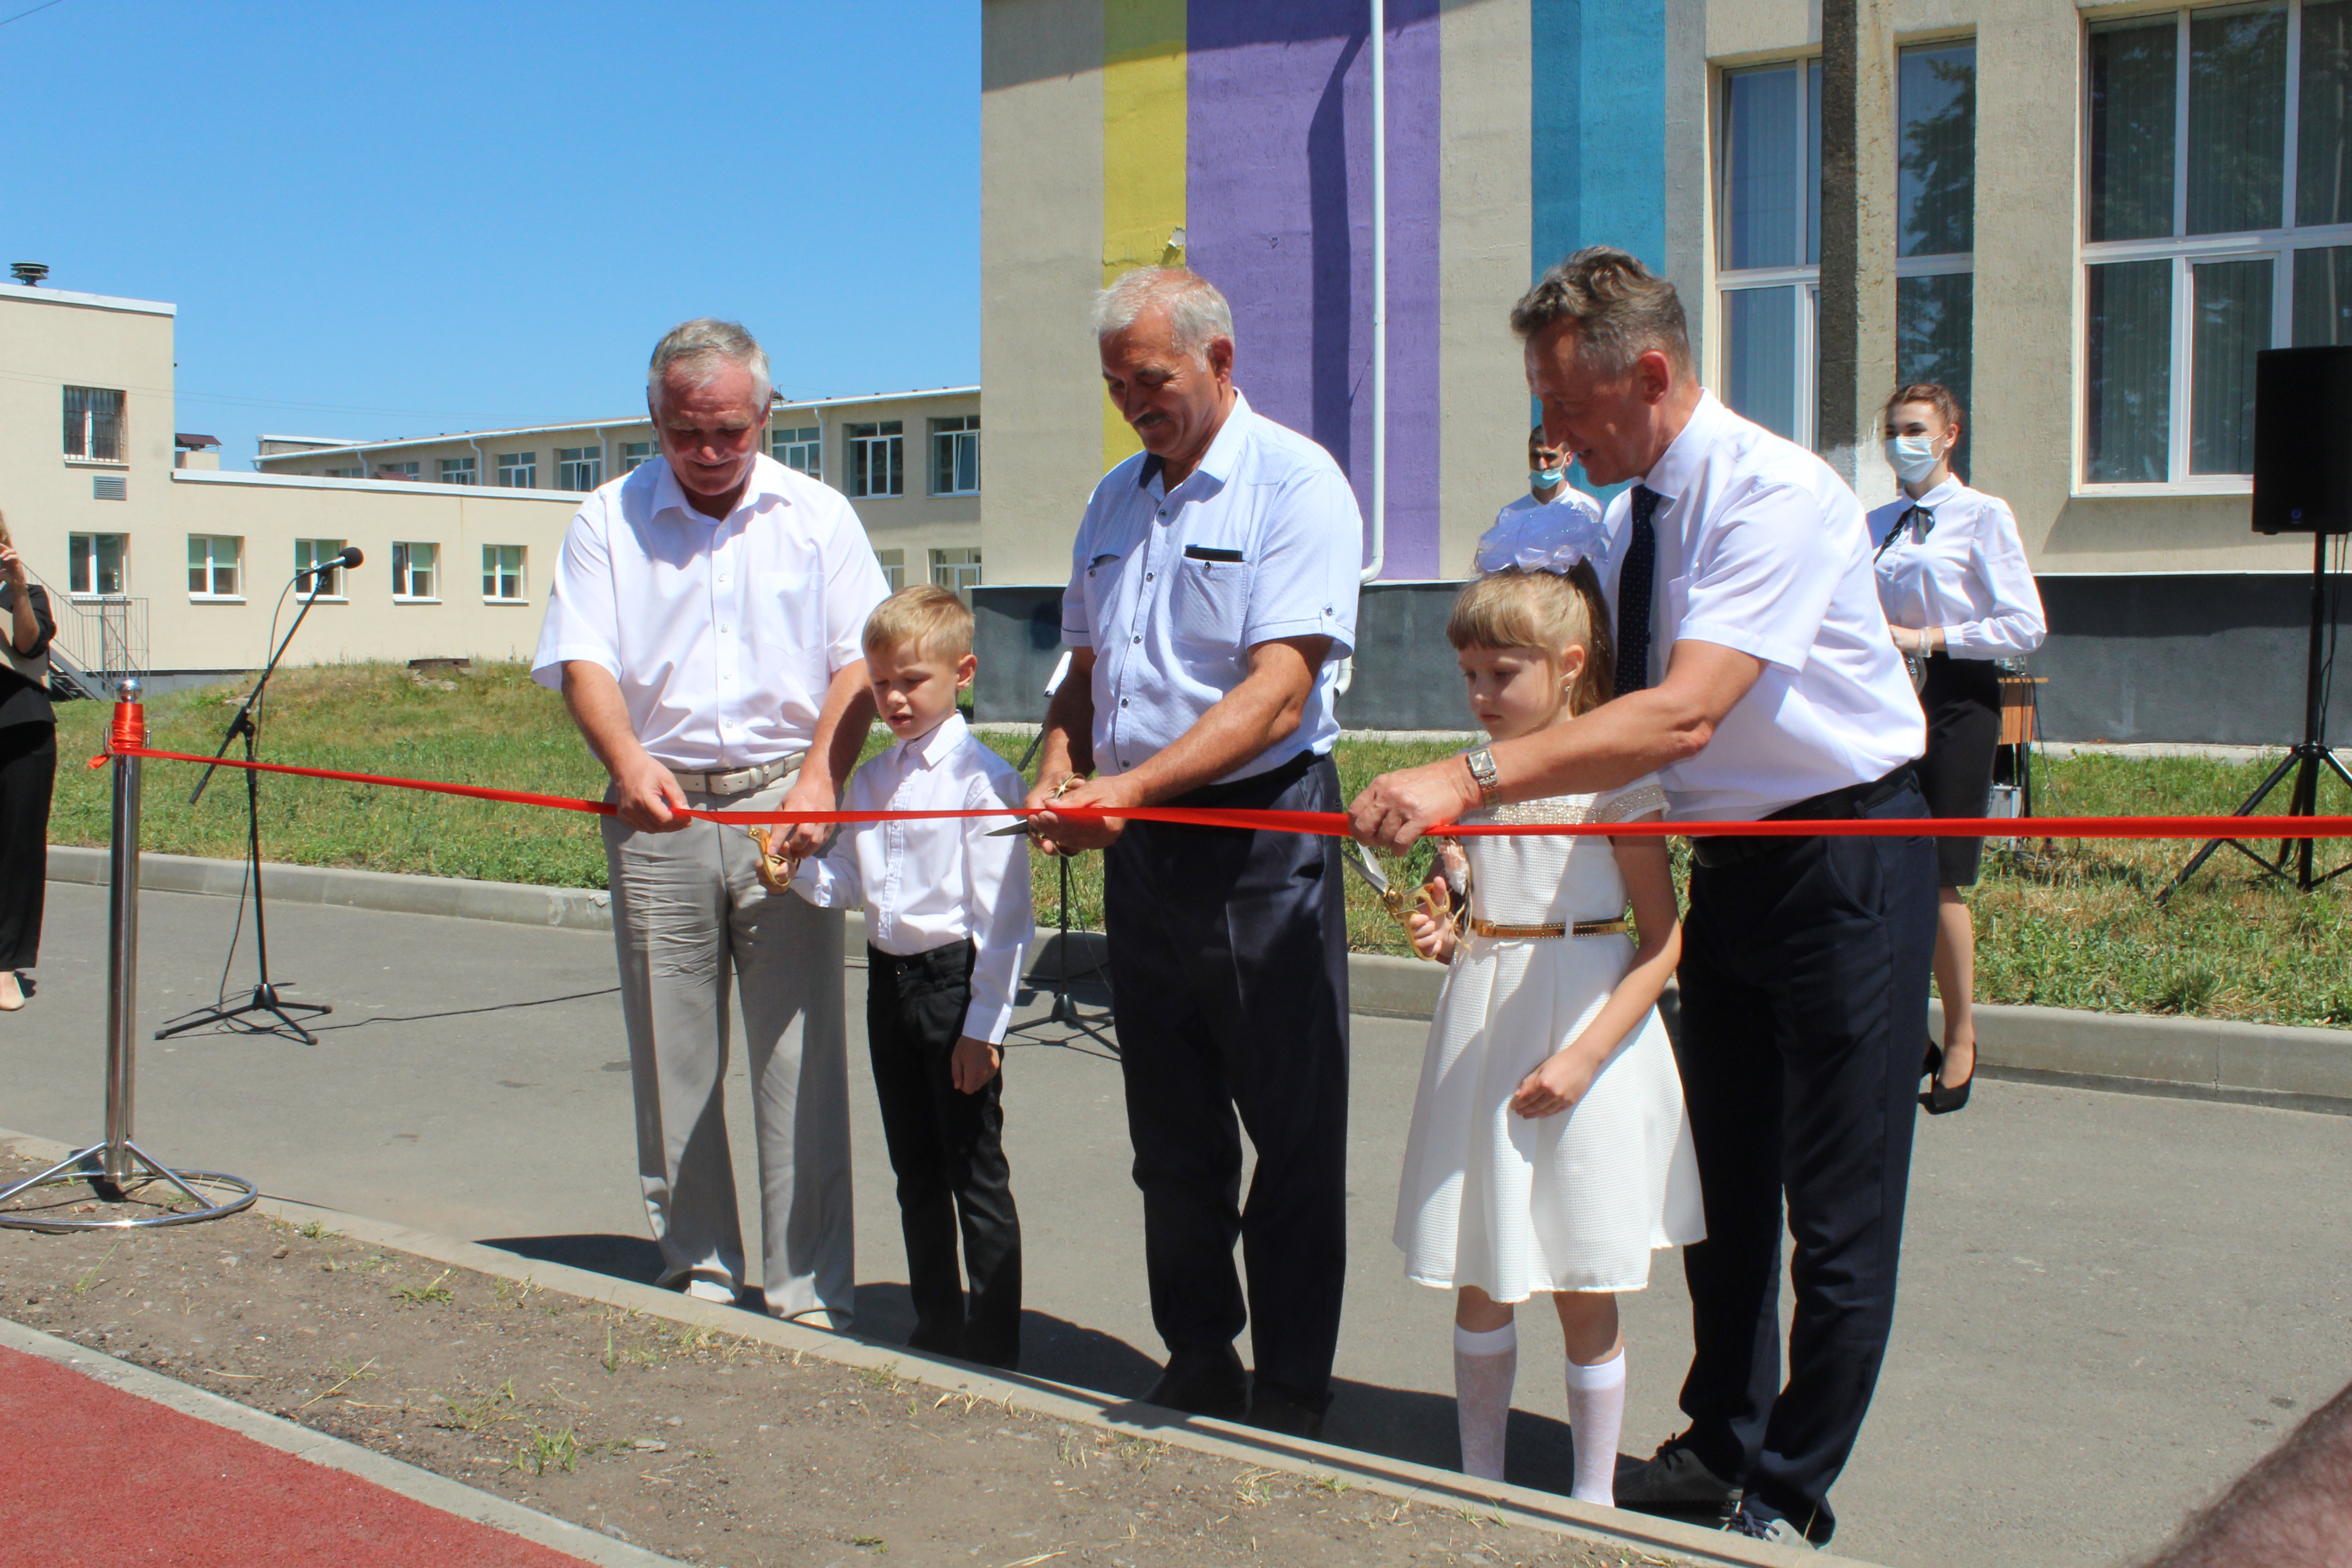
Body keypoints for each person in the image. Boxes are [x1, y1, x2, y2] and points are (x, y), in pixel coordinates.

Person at [1348, 247, 1935, 1548]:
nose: (1550, 431)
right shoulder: (1623, 521)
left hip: (1842, 861)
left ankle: (1785, 1494)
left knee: (1836, 1214)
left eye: (1566, 401)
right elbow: (1586, 695)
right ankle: (1721, 1440)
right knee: (1729, 1195)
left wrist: (1471, 773)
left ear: (1651, 375)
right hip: (1727, 867)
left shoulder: (1774, 493)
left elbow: (1679, 717)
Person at [1024, 265, 1362, 1438]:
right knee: (1170, 1135)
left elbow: (1277, 693)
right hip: (1143, 851)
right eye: (1117, 384)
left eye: (1152, 380)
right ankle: (1202, 1354)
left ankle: (1295, 1386)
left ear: (1220, 362)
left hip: (1261, 839)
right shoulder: (1114, 500)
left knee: (1294, 1133)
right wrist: (1056, 767)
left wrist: (1126, 787)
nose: (1134, 403)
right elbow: (1085, 670)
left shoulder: (1295, 483)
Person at [533, 318, 889, 1326]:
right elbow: (584, 661)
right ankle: (697, 1263)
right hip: (661, 808)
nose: (710, 453)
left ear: (766, 415)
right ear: (655, 419)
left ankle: (807, 1286)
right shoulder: (609, 519)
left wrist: (824, 775)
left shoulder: (818, 517)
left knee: (801, 1060)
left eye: (731, 431)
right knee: (673, 1052)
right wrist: (627, 760)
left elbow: (860, 662)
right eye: (688, 433)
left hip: (789, 806)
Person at [1392, 556, 1702, 1505]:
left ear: (1569, 666)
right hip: (1485, 1027)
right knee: (1481, 1265)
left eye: (1504, 673)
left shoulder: (1618, 784)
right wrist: (1449, 933)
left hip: (1585, 1033)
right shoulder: (1470, 783)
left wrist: (1581, 1059)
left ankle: (1593, 1495)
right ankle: (1480, 1481)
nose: (1482, 695)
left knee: (1582, 1268)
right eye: (1471, 675)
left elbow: (1663, 942)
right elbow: (1488, 909)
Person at [777, 585, 1031, 1368]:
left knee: (972, 1172)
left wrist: (982, 1029)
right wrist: (792, 871)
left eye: (911, 680)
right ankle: (934, 1328)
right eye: (881, 681)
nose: (893, 698)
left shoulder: (982, 783)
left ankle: (991, 1341)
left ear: (962, 673)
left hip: (954, 987)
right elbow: (852, 885)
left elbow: (1004, 920)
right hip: (887, 985)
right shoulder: (872, 781)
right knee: (913, 1169)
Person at [1870, 384, 2046, 1115]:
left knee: (1939, 873)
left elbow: (2025, 624)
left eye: (1916, 429)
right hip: (1882, 697)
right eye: (1892, 429)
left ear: (1949, 436)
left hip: (1955, 697)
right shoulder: (1875, 521)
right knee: (1882, 863)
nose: (1901, 441)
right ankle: (1904, 1032)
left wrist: (1931, 638)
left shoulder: (1983, 515)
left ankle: (1964, 1033)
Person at [0, 511, 57, 1014]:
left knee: (17, 851)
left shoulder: (26, 595)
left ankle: (4, 966)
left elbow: (28, 643)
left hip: (21, 733)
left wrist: (16, 587)